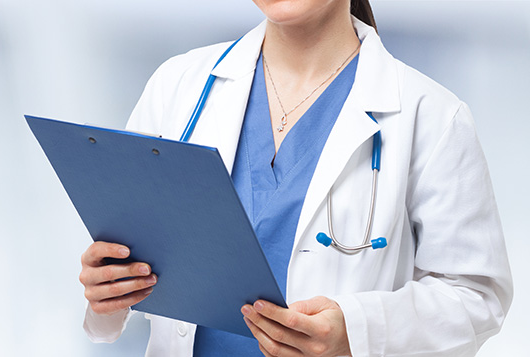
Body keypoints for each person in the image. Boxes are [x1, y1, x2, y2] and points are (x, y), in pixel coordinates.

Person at [77, 0, 513, 356]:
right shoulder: (178, 86)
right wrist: (107, 294)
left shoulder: (430, 115)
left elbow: (478, 297)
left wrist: (356, 332)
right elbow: (124, 254)